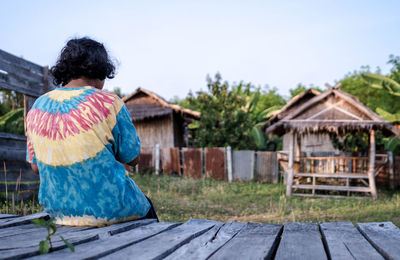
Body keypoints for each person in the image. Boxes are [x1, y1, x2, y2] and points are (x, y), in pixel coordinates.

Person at [25, 37, 158, 226]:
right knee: (147, 206)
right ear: (101, 70)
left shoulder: (37, 107)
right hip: (111, 210)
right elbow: (133, 158)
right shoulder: (110, 103)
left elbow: (36, 167)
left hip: (58, 213)